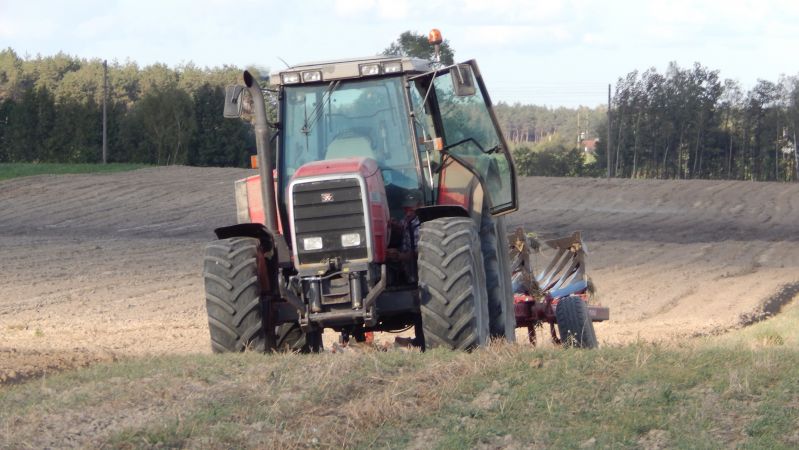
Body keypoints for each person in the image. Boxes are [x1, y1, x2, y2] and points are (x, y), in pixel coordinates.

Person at [386, 190, 422, 283]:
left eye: (411, 209)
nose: (408, 213)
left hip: (420, 267)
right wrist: (395, 225)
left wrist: (401, 256)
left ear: (421, 206)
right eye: (406, 209)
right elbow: (402, 227)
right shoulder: (406, 220)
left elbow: (423, 252)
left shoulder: (423, 225)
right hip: (408, 265)